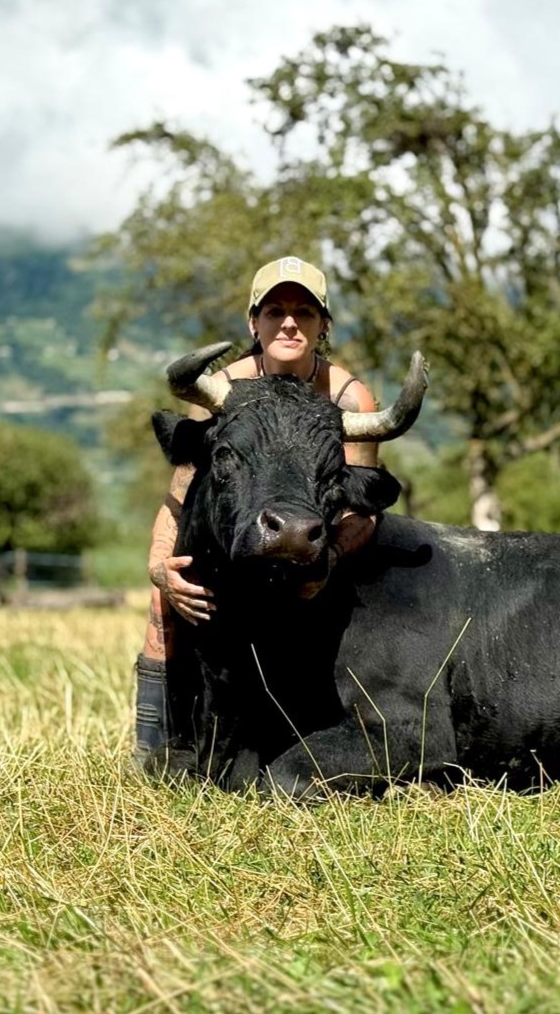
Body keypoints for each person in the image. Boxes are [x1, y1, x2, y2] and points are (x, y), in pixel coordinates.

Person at [134, 255, 379, 767]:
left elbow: (363, 509)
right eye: (274, 311)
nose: (289, 323)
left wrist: (331, 559)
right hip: (239, 544)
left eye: (304, 312)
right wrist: (159, 569)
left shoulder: (351, 399)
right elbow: (180, 499)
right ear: (254, 322)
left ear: (323, 325)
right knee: (168, 592)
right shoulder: (220, 391)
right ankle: (154, 742)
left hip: (317, 547)